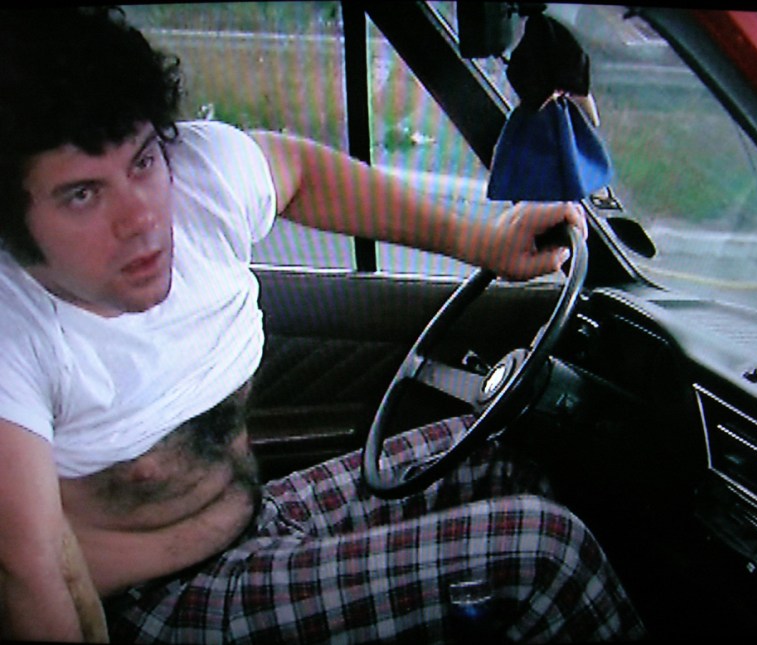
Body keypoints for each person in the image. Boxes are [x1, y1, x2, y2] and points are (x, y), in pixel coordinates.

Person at [0, 7, 645, 643]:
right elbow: (30, 573)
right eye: (83, 194)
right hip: (161, 605)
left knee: (507, 451)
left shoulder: (196, 179)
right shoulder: (12, 328)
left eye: (142, 161)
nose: (142, 218)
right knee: (543, 553)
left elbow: (304, 175)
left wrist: (480, 242)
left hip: (261, 523)